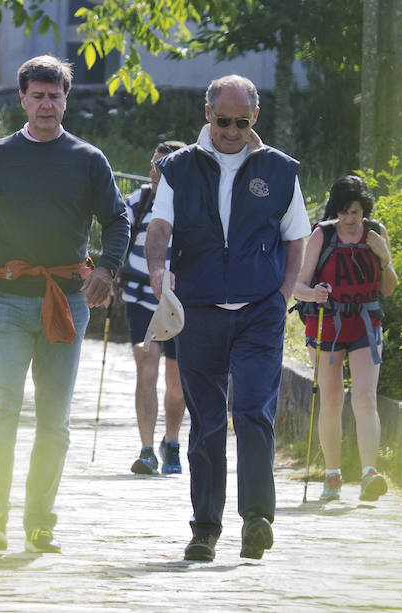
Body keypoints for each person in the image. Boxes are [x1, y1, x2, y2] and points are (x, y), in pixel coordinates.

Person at [0, 55, 129, 554]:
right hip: (5, 302)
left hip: (67, 305)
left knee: (54, 418)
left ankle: (40, 520)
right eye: (37, 95)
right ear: (22, 99)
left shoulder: (88, 160)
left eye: (55, 95)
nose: (46, 103)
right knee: (2, 406)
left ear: (66, 100)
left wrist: (106, 268)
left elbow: (118, 220)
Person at [144, 75, 311, 562]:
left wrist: (282, 297)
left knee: (254, 410)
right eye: (223, 121)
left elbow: (295, 237)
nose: (232, 130)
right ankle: (205, 529)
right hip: (197, 311)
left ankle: (257, 518)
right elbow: (160, 228)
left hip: (260, 311)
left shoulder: (280, 170)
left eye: (242, 121)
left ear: (254, 118)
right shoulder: (178, 168)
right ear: (207, 113)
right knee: (209, 421)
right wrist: (159, 271)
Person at [292, 175, 398, 503]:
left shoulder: (377, 233)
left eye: (356, 212)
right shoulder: (322, 235)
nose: (351, 220)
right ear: (336, 211)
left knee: (365, 397)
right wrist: (316, 294)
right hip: (328, 325)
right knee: (333, 400)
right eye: (344, 212)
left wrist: (384, 257)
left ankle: (369, 474)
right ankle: (333, 474)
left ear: (365, 210)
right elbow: (298, 285)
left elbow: (389, 287)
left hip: (365, 324)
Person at [119, 140, 188, 475]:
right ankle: (147, 450)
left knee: (177, 383)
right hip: (141, 298)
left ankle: (171, 441)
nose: (153, 173)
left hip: (180, 303)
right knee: (147, 369)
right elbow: (117, 235)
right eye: (153, 166)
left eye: (161, 167)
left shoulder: (192, 205)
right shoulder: (139, 200)